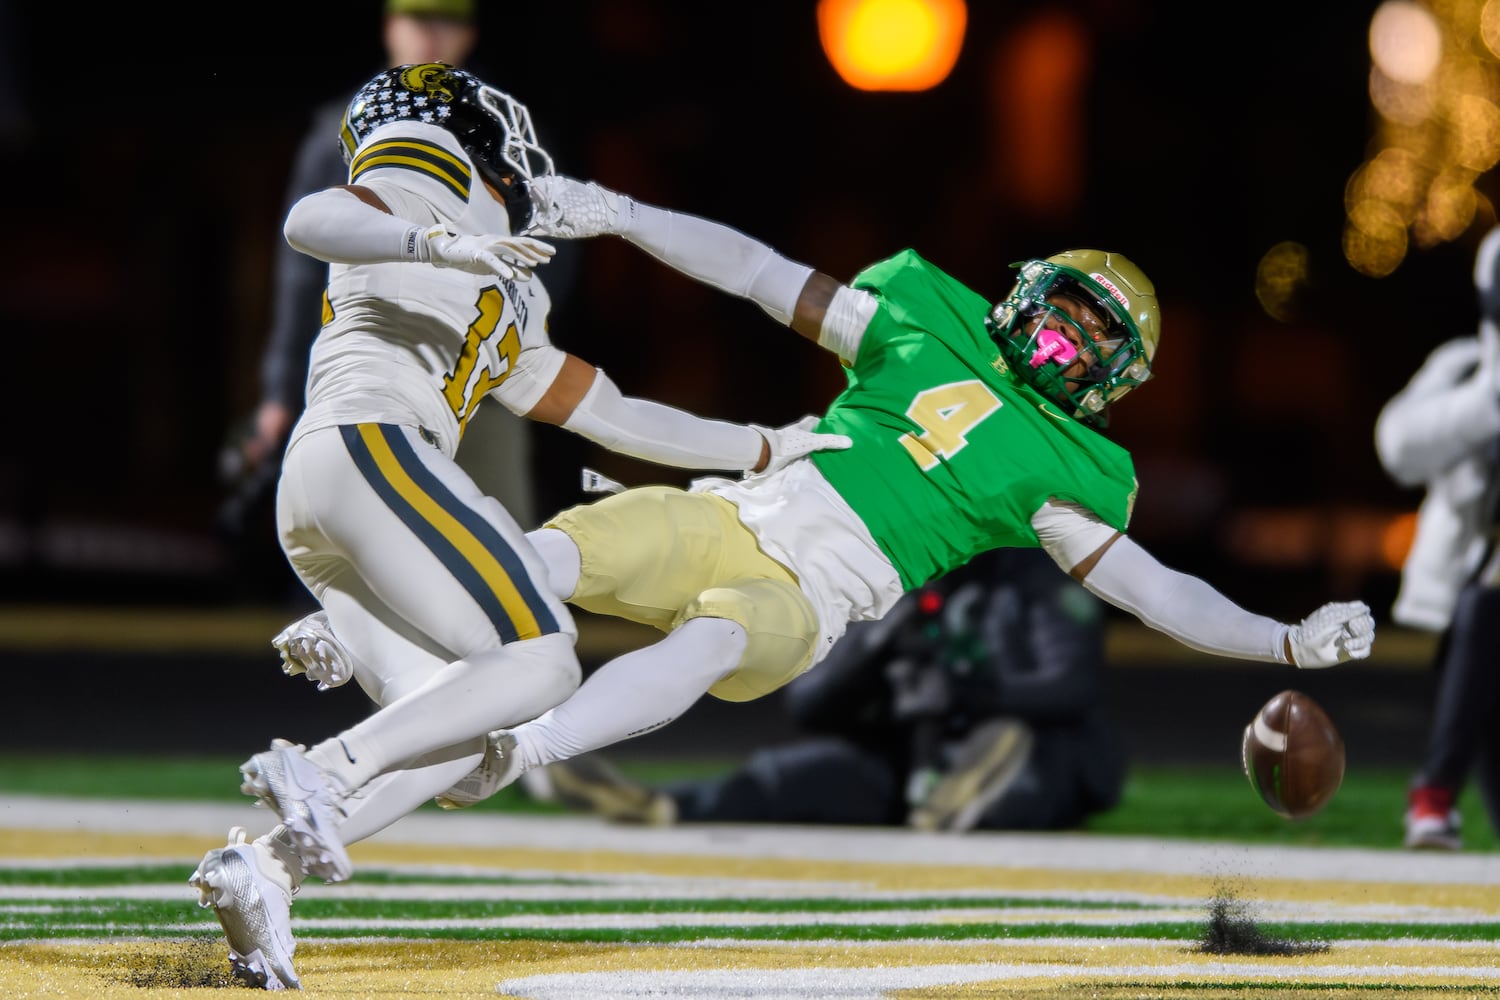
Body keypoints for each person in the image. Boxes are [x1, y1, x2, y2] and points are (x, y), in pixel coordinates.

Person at [368, 174, 1375, 813]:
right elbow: (762, 275)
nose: (1066, 341)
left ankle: (518, 749)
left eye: (1094, 340)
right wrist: (626, 215)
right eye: (1067, 312)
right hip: (732, 510)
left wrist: (1282, 639)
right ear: (1027, 291)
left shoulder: (1078, 469)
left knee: (708, 641)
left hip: (812, 596)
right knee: (558, 546)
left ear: (1115, 382)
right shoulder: (928, 313)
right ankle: (380, 626)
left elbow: (1157, 593)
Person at [187, 63, 850, 992]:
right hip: (372, 442)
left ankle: (262, 870)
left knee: (465, 750)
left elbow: (611, 413)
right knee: (542, 656)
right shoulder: (434, 163)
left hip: (342, 489)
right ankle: (328, 770)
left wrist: (764, 448)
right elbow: (310, 220)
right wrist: (429, 242)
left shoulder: (510, 282)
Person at [219, 0, 546, 595]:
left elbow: (552, 249)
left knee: (504, 578)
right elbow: (300, 274)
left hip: (478, 386)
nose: (430, 35)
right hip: (375, 377)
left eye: (446, 20)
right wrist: (280, 392)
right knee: (383, 584)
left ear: (469, 34)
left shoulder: (503, 130)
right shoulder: (343, 128)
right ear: (390, 26)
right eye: (417, 19)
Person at [541, 546, 1126, 832]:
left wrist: (964, 694)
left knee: (1015, 758)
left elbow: (1068, 684)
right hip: (909, 760)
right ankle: (666, 806)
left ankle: (968, 792)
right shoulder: (892, 586)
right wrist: (878, 649)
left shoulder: (1034, 578)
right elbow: (809, 704)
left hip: (1040, 754)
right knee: (792, 775)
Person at [1375, 223, 1500, 852]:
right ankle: (1436, 789)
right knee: (1484, 607)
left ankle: (1437, 787)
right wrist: (1489, 401)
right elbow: (1396, 447)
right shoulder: (1465, 367)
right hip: (1472, 609)